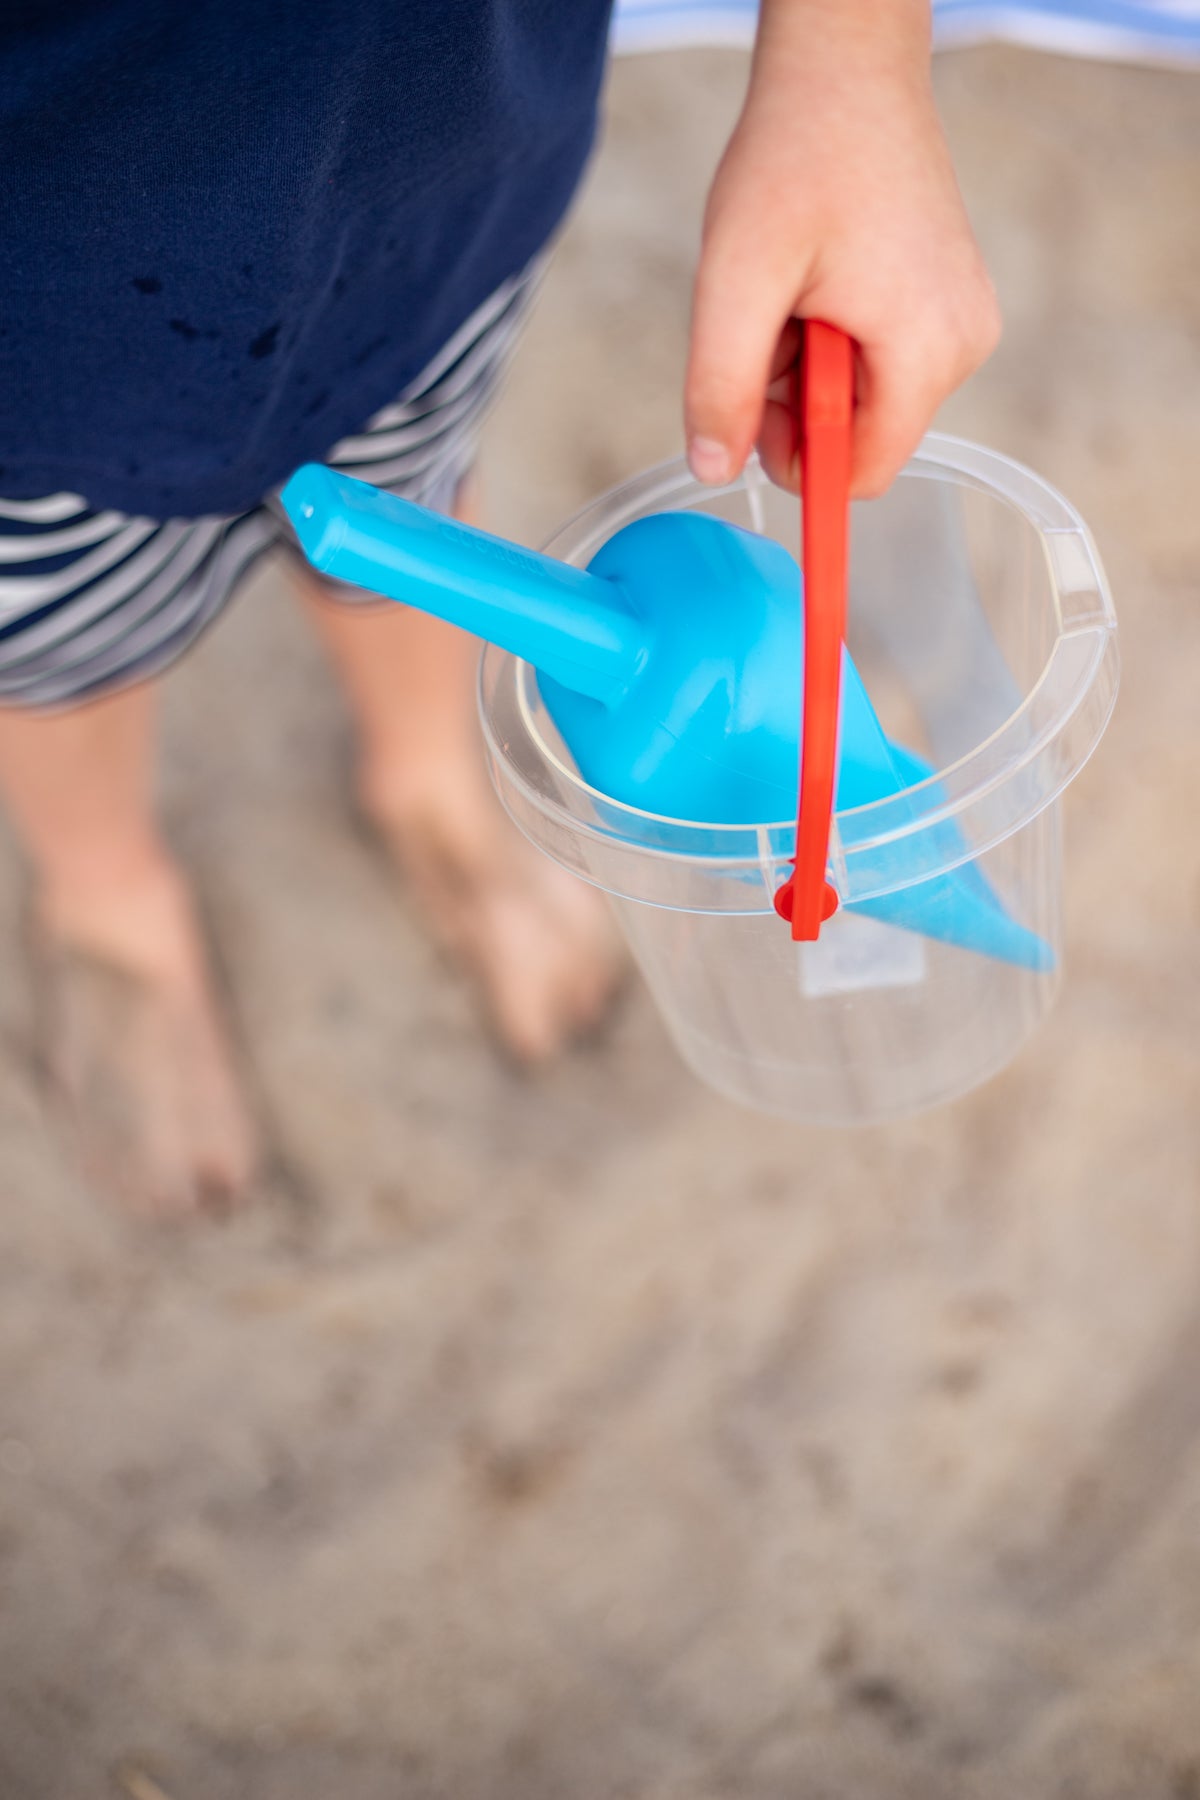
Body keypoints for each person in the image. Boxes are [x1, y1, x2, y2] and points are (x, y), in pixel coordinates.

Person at [0, 0, 1000, 1216]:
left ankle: (426, 773)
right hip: (28, 337)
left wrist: (850, 67)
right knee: (55, 639)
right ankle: (107, 896)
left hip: (433, 185)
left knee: (413, 482)